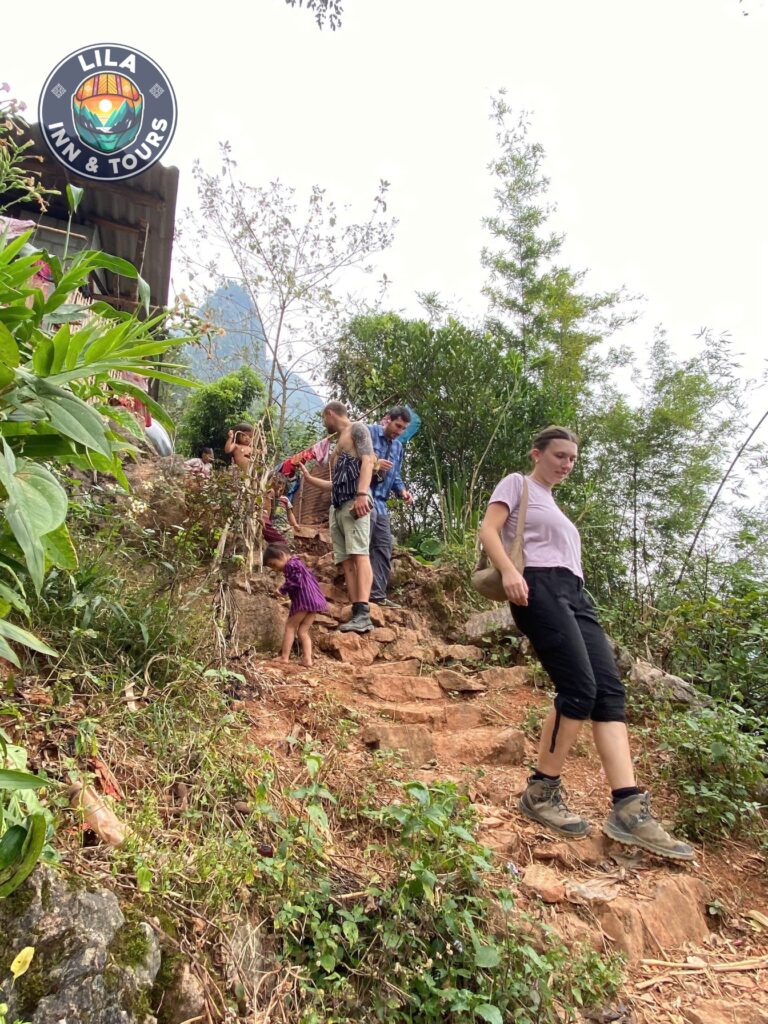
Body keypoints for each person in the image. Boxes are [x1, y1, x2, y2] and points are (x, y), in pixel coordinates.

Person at [478, 426, 694, 861]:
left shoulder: (555, 504)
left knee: (610, 694)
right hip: (536, 585)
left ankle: (629, 808)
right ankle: (541, 792)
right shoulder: (518, 483)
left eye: (573, 459)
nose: (567, 464)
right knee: (579, 689)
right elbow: (488, 530)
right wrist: (509, 572)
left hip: (575, 594)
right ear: (536, 454)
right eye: (559, 455)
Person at [300, 401, 376, 633]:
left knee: (359, 554)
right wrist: (310, 479)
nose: (325, 424)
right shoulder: (338, 445)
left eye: (324, 419)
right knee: (345, 560)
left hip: (355, 501)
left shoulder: (357, 429)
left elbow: (369, 461)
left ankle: (364, 613)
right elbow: (337, 484)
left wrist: (362, 494)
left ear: (330, 414)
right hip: (338, 505)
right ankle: (356, 611)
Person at [368, 406, 414, 607]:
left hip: (381, 504)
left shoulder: (398, 447)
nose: (399, 431)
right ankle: (357, 596)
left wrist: (402, 491)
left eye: (403, 428)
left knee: (384, 547)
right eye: (397, 426)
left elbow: (395, 475)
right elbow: (352, 460)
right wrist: (376, 464)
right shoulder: (368, 432)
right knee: (362, 548)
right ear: (387, 419)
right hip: (364, 497)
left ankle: (377, 596)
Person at [263, 543, 329, 667]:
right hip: (314, 600)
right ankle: (307, 659)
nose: (275, 569)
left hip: (304, 600)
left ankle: (284, 657)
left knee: (290, 626)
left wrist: (281, 590)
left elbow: (294, 581)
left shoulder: (290, 565)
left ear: (282, 555)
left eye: (274, 564)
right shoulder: (299, 563)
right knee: (303, 631)